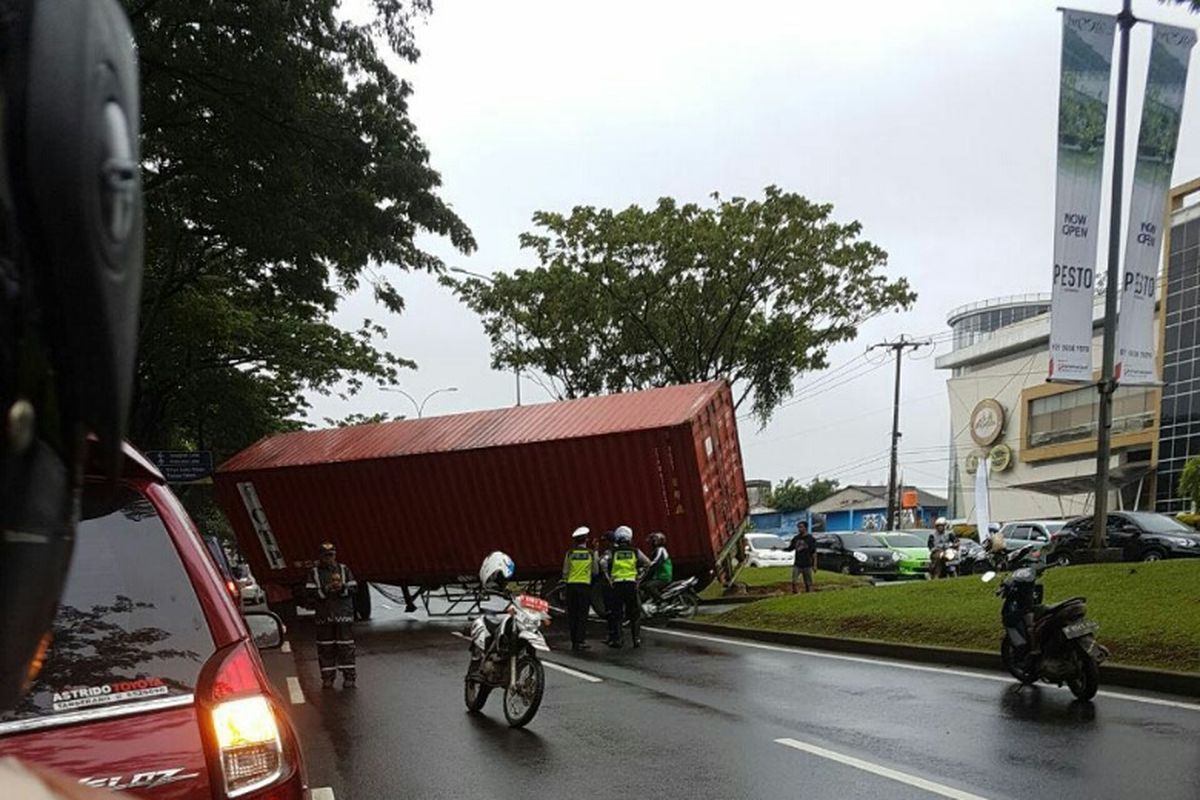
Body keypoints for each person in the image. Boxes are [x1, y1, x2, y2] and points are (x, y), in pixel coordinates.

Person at [307, 542, 358, 688]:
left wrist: (342, 588)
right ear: (320, 556)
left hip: (343, 615)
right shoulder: (314, 573)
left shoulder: (344, 569)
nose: (329, 558)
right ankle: (327, 679)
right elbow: (310, 593)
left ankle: (349, 678)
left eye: (331, 555)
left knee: (346, 647)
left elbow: (354, 588)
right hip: (324, 617)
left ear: (335, 555)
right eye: (325, 556)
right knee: (326, 648)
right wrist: (326, 590)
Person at [601, 525, 650, 648]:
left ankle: (619, 640)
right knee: (634, 613)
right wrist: (639, 578)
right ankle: (636, 639)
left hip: (617, 584)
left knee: (617, 613)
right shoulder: (635, 551)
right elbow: (647, 563)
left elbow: (602, 562)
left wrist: (608, 577)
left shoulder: (612, 552)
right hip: (631, 584)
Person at [562, 526, 597, 652]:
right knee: (582, 614)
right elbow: (595, 571)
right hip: (584, 586)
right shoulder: (590, 554)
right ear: (586, 540)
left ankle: (573, 641)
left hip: (571, 586)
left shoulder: (570, 553)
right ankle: (580, 641)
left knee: (572, 614)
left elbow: (565, 571)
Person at [784, 520, 818, 593]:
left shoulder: (811, 539)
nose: (799, 529)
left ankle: (808, 594)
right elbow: (790, 548)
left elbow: (814, 553)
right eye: (798, 527)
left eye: (801, 527)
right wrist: (779, 548)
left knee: (808, 582)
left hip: (807, 564)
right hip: (797, 564)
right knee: (794, 581)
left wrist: (814, 565)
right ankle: (795, 594)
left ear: (805, 528)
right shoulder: (796, 538)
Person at [641, 532, 672, 606]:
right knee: (643, 585)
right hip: (658, 576)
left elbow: (656, 562)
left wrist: (647, 567)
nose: (653, 542)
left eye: (655, 540)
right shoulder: (655, 551)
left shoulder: (661, 550)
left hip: (664, 577)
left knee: (649, 586)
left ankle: (662, 601)